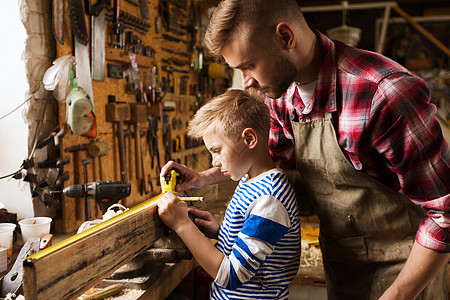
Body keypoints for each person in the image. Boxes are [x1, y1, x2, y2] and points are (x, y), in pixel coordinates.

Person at [160, 0, 450, 299]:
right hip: (343, 268)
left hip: (407, 276)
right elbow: (268, 156)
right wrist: (205, 178)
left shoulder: (384, 93)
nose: (246, 82)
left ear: (285, 37)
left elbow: (445, 213)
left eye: (249, 65)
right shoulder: (282, 95)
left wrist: (398, 294)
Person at [157, 89, 301, 299]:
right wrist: (221, 232)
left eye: (217, 150)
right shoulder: (249, 180)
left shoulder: (270, 200)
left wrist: (182, 224)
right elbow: (255, 243)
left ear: (249, 139)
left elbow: (231, 275)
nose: (214, 162)